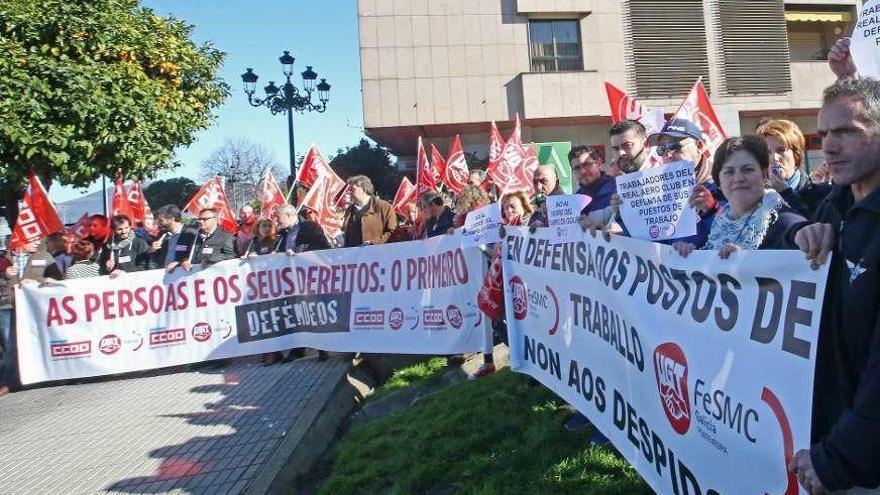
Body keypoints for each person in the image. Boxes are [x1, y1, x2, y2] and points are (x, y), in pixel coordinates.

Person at [788, 78, 880, 495]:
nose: (828, 146)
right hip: (828, 435)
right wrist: (805, 233)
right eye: (824, 133)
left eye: (846, 131)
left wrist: (840, 456)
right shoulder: (836, 204)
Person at [672, 136, 805, 257]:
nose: (738, 178)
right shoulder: (718, 226)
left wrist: (747, 263)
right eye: (729, 172)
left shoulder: (784, 221)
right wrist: (691, 255)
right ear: (719, 181)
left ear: (764, 174)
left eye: (748, 170)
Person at [471, 191, 533, 379]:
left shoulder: (531, 224)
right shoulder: (504, 229)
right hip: (508, 285)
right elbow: (499, 258)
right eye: (505, 208)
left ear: (524, 206)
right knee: (502, 324)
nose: (509, 210)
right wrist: (483, 247)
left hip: (528, 287)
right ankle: (519, 356)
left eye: (512, 206)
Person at [756, 118, 832, 218]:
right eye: (768, 152)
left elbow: (810, 227)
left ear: (796, 155)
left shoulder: (819, 193)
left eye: (781, 150)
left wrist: (786, 193)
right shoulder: (759, 196)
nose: (774, 158)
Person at [167, 208, 236, 271]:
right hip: (194, 277)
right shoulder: (192, 237)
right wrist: (182, 261)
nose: (200, 221)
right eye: (199, 219)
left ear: (215, 219)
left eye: (205, 219)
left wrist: (211, 259)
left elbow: (231, 256)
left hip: (214, 276)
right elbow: (183, 254)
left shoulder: (226, 237)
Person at [342, 175, 398, 247]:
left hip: (378, 254)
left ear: (364, 190)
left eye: (352, 189)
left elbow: (393, 233)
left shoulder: (384, 207)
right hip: (354, 256)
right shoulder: (349, 210)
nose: (349, 192)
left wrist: (374, 243)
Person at [569, 146, 616, 219]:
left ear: (599, 163)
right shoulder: (576, 200)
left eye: (586, 164)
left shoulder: (617, 190)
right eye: (577, 168)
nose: (582, 171)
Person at [149, 204, 194, 269]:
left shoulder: (190, 234)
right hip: (164, 274)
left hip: (182, 274)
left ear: (172, 218)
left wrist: (179, 263)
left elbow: (194, 256)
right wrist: (152, 250)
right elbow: (155, 259)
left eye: (161, 220)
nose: (158, 223)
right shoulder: (162, 235)